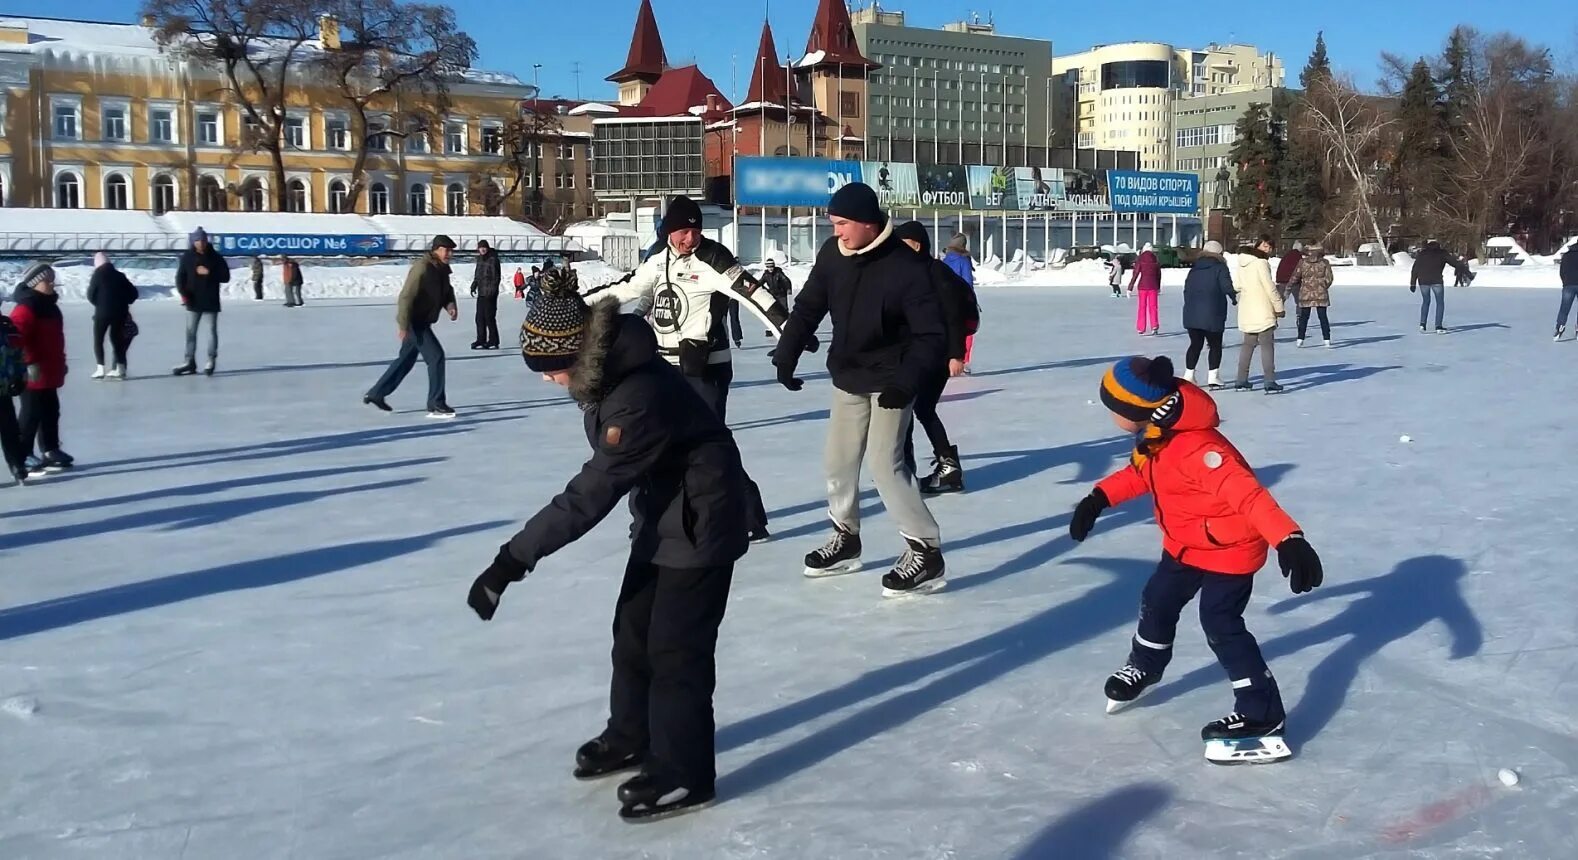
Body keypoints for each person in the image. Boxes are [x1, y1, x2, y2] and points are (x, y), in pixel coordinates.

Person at [467, 270, 745, 821]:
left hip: (701, 518)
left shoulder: (633, 396)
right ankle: (630, 736)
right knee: (634, 633)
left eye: (553, 369)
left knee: (676, 651)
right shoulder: (610, 371)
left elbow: (590, 494)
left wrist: (511, 561)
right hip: (663, 514)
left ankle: (685, 771)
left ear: (580, 352)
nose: (549, 381)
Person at [1070, 355, 1323, 764]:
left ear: (1135, 410)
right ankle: (1146, 666)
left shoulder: (1200, 448)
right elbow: (1142, 474)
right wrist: (1099, 497)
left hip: (1230, 550)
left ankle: (1262, 714)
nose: (1110, 415)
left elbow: (1249, 496)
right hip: (1184, 544)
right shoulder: (1160, 432)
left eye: (1112, 408)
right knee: (1158, 598)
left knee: (1221, 625)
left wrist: (1289, 539)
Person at [586, 195, 801, 544]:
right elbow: (624, 289)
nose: (690, 238)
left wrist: (789, 334)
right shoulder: (658, 258)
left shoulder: (713, 258)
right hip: (662, 367)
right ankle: (652, 517)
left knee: (708, 447)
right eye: (683, 232)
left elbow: (753, 294)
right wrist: (578, 307)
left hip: (706, 368)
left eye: (695, 231)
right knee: (650, 443)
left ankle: (746, 516)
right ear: (670, 231)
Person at [774, 182, 948, 596]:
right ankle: (845, 537)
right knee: (838, 463)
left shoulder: (908, 268)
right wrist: (787, 351)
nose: (837, 232)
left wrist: (907, 383)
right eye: (833, 223)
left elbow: (931, 336)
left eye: (843, 224)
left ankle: (926, 549)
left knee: (884, 465)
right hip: (849, 376)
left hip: (892, 381)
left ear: (869, 224)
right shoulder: (834, 255)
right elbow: (809, 305)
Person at [895, 220, 978, 495]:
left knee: (910, 405)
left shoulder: (935, 272)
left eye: (902, 243)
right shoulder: (916, 272)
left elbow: (953, 315)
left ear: (916, 245)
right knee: (921, 408)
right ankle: (947, 466)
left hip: (938, 353)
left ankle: (905, 471)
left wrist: (956, 355)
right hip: (926, 350)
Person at [364, 235, 459, 419]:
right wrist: (403, 325)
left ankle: (376, 393)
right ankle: (435, 403)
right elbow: (406, 296)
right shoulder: (422, 267)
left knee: (405, 361)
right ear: (436, 250)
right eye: (446, 250)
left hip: (423, 321)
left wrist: (451, 306)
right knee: (436, 357)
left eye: (451, 250)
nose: (449, 254)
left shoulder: (442, 269)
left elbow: (447, 291)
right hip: (415, 322)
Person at [9, 263, 72, 475]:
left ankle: (50, 449)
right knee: (31, 413)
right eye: (48, 279)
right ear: (35, 283)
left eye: (53, 278)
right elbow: (17, 339)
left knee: (51, 411)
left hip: (50, 369)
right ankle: (23, 454)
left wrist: (61, 362)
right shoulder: (26, 308)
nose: (52, 283)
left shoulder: (51, 306)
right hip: (32, 371)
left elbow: (56, 340)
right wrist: (28, 362)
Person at [172, 227, 230, 376]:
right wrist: (184, 295)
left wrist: (210, 273)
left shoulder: (215, 257)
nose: (201, 243)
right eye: (198, 240)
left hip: (210, 300)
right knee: (190, 332)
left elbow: (225, 276)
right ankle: (189, 361)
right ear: (193, 242)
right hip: (193, 300)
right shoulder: (187, 257)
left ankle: (211, 359)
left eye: (203, 240)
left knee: (211, 331)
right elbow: (180, 278)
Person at [1181, 241, 1236, 390]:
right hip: (1213, 313)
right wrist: (1234, 297)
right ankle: (1213, 376)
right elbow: (1226, 286)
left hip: (1192, 313)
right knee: (1215, 345)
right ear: (1219, 253)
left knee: (1195, 344)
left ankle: (1189, 375)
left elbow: (1186, 290)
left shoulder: (1194, 269)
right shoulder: (1220, 267)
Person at [1233, 236, 1284, 394]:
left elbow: (1237, 285)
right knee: (1267, 346)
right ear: (1257, 246)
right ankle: (1269, 381)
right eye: (1264, 246)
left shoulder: (1242, 262)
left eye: (1269, 247)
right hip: (1262, 310)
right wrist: (1279, 307)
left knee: (1248, 345)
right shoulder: (1261, 263)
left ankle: (1241, 379)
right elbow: (1270, 287)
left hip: (1247, 309)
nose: (1266, 249)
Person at [86, 251, 139, 379]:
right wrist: (125, 301)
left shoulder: (97, 275)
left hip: (102, 313)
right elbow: (134, 293)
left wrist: (99, 304)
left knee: (98, 340)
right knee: (117, 340)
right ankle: (120, 369)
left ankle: (100, 369)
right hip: (120, 312)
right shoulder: (120, 275)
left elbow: (91, 294)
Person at [0, 295, 29, 485]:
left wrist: (20, 376)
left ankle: (17, 464)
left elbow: (18, 353)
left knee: (9, 429)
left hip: (3, 389)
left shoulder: (6, 326)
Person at [1410, 240, 1465, 334]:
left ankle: (1422, 325)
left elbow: (1415, 268)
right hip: (1437, 280)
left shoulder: (1422, 253)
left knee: (1426, 302)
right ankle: (1438, 326)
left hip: (1423, 280)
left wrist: (1413, 283)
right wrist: (1462, 267)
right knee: (1439, 303)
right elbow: (1454, 263)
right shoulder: (1442, 253)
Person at [1289, 245, 1334, 348]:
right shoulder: (1324, 262)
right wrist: (1322, 286)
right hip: (1320, 293)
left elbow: (1295, 276)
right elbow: (1329, 278)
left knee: (1304, 317)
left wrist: (1290, 287)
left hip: (1306, 293)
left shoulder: (1302, 262)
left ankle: (1300, 339)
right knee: (1323, 317)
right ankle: (1326, 339)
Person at [943, 234, 977, 372]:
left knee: (948, 329)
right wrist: (971, 300)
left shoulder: (944, 260)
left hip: (944, 300)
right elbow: (967, 282)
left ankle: (948, 359)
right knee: (967, 330)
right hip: (961, 300)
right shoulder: (964, 260)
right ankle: (963, 360)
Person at [469, 239, 502, 349]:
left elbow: (496, 277)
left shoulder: (493, 259)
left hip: (490, 294)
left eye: (484, 247)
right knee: (479, 318)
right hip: (482, 293)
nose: (482, 249)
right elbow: (478, 275)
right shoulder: (480, 259)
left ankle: (493, 340)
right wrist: (474, 284)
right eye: (480, 247)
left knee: (489, 317)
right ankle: (481, 339)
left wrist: (492, 291)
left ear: (487, 248)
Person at [1129, 242, 1163, 335]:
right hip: (1153, 286)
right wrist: (1158, 287)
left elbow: (1135, 273)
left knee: (1142, 307)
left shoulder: (1140, 258)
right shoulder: (1155, 259)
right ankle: (1154, 326)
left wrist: (1130, 287)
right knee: (1153, 307)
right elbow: (1158, 275)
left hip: (1142, 286)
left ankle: (1141, 327)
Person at [758, 258, 793, 337]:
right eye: (769, 267)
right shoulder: (765, 275)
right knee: (773, 310)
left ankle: (787, 326)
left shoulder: (779, 273)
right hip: (773, 295)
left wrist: (788, 289)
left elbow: (786, 281)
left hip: (781, 294)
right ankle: (772, 327)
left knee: (784, 309)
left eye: (772, 266)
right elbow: (760, 283)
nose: (770, 268)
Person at [1556, 242, 1578, 341]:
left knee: (1564, 309)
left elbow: (1562, 270)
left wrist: (1565, 281)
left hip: (1568, 284)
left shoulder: (1566, 255)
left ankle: (1560, 326)